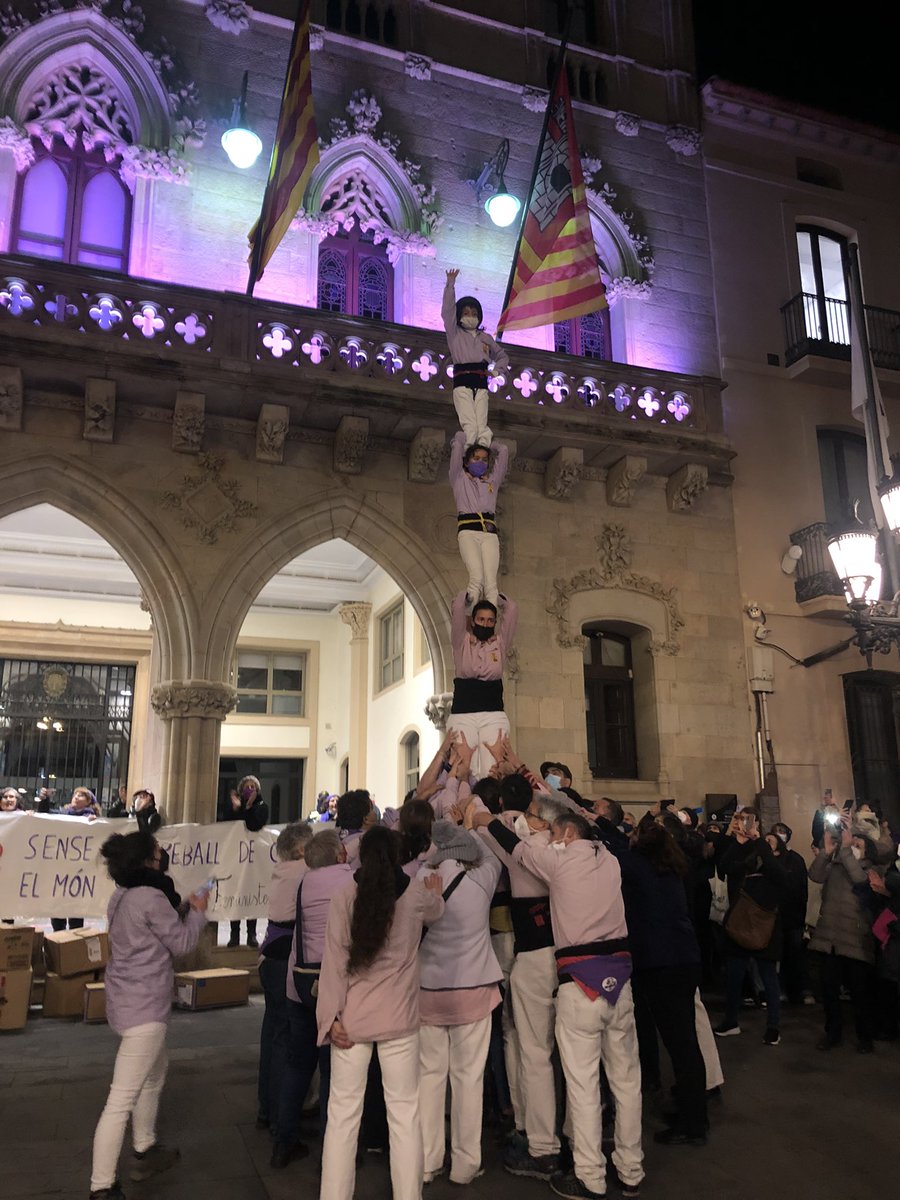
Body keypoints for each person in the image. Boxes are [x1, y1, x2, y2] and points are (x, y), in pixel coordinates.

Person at [473, 808, 644, 1200]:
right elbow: (606, 832)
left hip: (580, 983)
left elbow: (516, 850)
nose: (547, 839)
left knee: (582, 1082)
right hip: (620, 980)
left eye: (552, 833)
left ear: (566, 835)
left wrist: (486, 821)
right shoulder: (612, 860)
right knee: (626, 1081)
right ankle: (631, 1169)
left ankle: (589, 1176)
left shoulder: (560, 860)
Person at [316, 826, 445, 1200]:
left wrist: (331, 1019)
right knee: (405, 1115)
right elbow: (438, 910)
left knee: (342, 1117)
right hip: (400, 1021)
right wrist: (435, 892)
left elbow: (334, 963)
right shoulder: (415, 894)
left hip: (351, 1021)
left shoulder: (345, 895)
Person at [89, 830, 208, 1200]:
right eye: (159, 853)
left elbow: (155, 933)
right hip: (145, 1008)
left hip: (127, 999)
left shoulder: (123, 895)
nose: (163, 857)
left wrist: (183, 910)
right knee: (120, 1099)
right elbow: (183, 943)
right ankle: (101, 1186)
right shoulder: (152, 897)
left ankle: (145, 1146)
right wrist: (200, 914)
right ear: (148, 861)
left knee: (155, 1074)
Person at [476, 787, 567, 1181]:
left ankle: (542, 1146)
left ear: (541, 823)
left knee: (534, 1052)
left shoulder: (524, 853)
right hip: (566, 959)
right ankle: (571, 1135)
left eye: (528, 813)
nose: (521, 818)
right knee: (564, 1056)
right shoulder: (569, 851)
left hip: (533, 957)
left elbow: (482, 824)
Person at [418, 821, 502, 1185]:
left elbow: (425, 859)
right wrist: (472, 827)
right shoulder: (482, 879)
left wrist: (437, 854)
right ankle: (466, 1164)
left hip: (428, 991)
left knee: (428, 1078)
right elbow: (490, 854)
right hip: (473, 989)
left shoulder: (422, 877)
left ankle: (427, 1158)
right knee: (469, 1079)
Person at [616, 822, 707, 1145]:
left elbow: (611, 849)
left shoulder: (635, 866)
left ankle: (693, 1123)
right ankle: (690, 1108)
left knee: (680, 1045)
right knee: (685, 1041)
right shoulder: (674, 867)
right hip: (685, 959)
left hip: (660, 963)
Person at [272, 829, 353, 1168]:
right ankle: (332, 1152)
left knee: (298, 1065)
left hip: (299, 983)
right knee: (332, 1069)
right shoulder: (349, 881)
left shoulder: (306, 881)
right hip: (333, 988)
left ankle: (283, 1141)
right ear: (338, 855)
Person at [257, 822, 313, 1136]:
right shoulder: (304, 870)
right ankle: (282, 1116)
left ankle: (268, 1108)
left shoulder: (284, 868)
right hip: (284, 959)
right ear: (302, 849)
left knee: (272, 1034)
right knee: (287, 1039)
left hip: (271, 957)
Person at [713, 809, 786, 1045]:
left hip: (765, 921)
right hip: (741, 919)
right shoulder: (746, 850)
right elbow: (725, 868)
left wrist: (760, 842)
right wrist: (739, 842)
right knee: (735, 974)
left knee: (768, 975)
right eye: (740, 820)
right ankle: (731, 1020)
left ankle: (773, 1026)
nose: (744, 824)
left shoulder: (771, 856)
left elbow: (778, 874)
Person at [808, 820, 879, 1052]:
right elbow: (816, 875)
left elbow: (860, 880)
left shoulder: (870, 868)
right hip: (829, 937)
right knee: (829, 990)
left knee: (860, 992)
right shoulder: (836, 864)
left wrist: (847, 850)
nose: (851, 845)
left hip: (855, 937)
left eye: (857, 843)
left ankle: (865, 1037)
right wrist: (825, 853)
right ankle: (833, 1033)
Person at [448, 590, 517, 781]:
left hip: (492, 713)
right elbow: (457, 609)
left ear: (495, 623)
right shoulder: (461, 642)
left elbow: (512, 611)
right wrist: (467, 597)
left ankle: (492, 806)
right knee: (462, 766)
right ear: (473, 621)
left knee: (492, 768)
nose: (485, 624)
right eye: (481, 619)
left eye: (490, 620)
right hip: (463, 713)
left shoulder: (500, 644)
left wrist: (498, 598)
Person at [442, 268, 509, 449]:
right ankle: (467, 459)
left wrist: (495, 371)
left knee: (482, 426)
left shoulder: (485, 338)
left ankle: (482, 456)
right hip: (462, 382)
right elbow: (447, 312)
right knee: (469, 425)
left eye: (473, 313)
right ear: (460, 316)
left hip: (481, 383)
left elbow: (503, 356)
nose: (470, 316)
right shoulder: (455, 334)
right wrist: (450, 284)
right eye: (466, 313)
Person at [449, 430, 509, 609]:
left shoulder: (491, 482)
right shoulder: (459, 479)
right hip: (468, 533)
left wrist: (489, 444)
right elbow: (457, 444)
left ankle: (489, 625)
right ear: (467, 461)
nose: (480, 462)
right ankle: (470, 618)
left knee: (491, 584)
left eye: (484, 459)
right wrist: (468, 438)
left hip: (489, 535)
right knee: (476, 579)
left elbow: (504, 452)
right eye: (476, 458)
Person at [223, 775, 269, 947]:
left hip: (253, 858)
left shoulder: (262, 806)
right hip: (236, 857)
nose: (249, 789)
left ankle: (251, 934)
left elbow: (254, 825)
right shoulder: (235, 806)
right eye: (246, 786)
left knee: (251, 894)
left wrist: (248, 808)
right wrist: (236, 809)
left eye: (253, 786)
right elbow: (227, 824)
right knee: (235, 894)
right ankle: (234, 934)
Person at [52, 787, 100, 931]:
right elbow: (44, 814)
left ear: (89, 801)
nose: (76, 797)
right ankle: (57, 938)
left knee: (76, 908)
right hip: (60, 868)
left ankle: (73, 943)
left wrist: (95, 824)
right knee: (57, 904)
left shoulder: (92, 818)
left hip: (80, 871)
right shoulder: (62, 813)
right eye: (75, 794)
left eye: (81, 795)